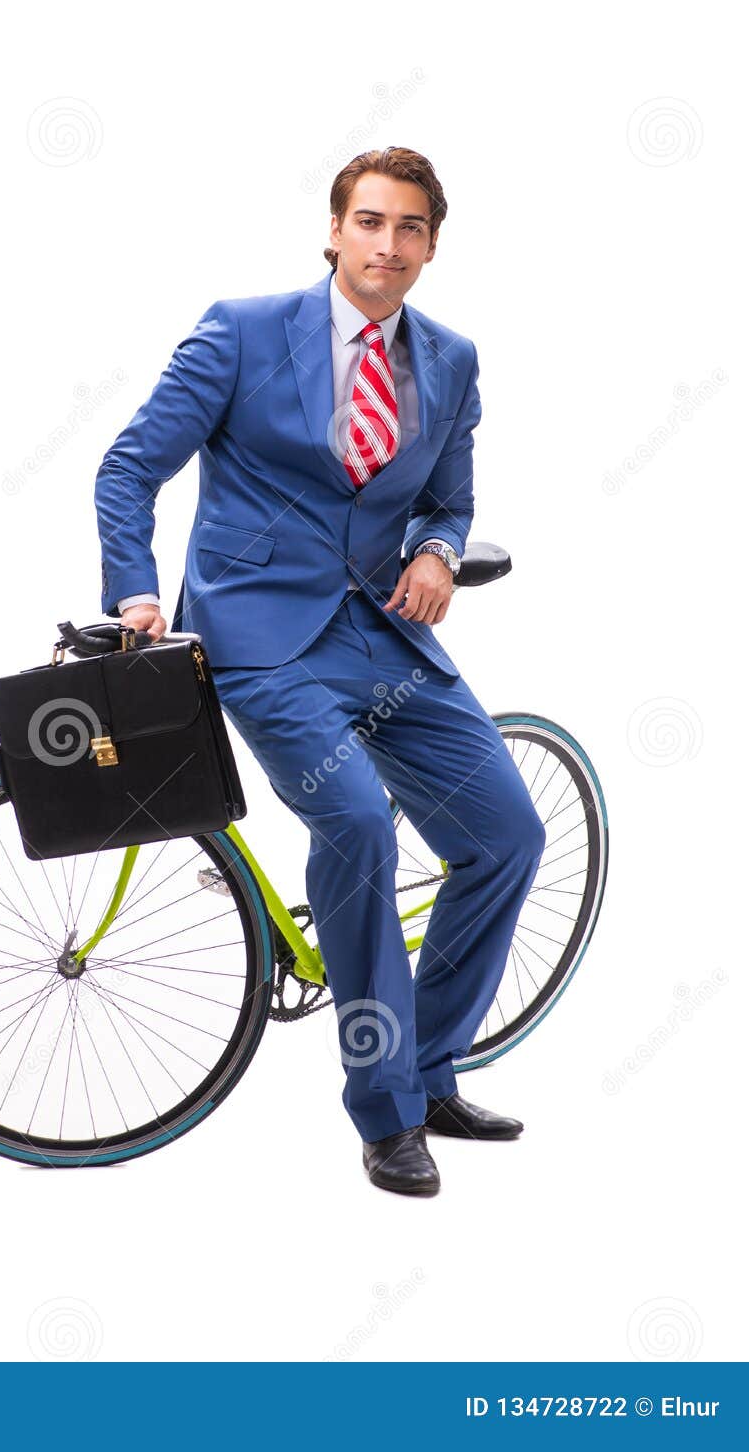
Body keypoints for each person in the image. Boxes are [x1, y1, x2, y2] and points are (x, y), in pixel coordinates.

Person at [94, 146, 546, 1197]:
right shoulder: (243, 332)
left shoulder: (451, 358)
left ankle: (428, 1069)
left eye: (412, 229)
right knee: (355, 820)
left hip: (386, 635)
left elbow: (447, 496)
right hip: (258, 639)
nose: (390, 245)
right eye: (372, 222)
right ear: (335, 231)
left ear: (432, 245)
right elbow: (129, 466)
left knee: (508, 838)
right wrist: (137, 592)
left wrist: (436, 550)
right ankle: (385, 1114)